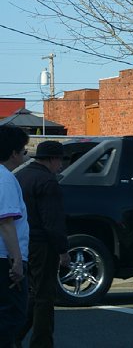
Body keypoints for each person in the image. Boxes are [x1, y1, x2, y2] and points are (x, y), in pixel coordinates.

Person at [15, 141, 69, 348]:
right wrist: (63, 250)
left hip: (23, 242)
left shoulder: (21, 176)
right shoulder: (48, 182)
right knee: (45, 297)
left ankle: (14, 335)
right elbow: (52, 221)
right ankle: (41, 343)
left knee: (31, 293)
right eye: (60, 160)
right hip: (43, 244)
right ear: (52, 159)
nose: (61, 166)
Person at [0, 125, 30, 348]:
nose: (25, 155)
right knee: (13, 317)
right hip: (6, 259)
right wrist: (17, 260)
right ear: (14, 153)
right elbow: (6, 223)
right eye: (24, 150)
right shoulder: (6, 180)